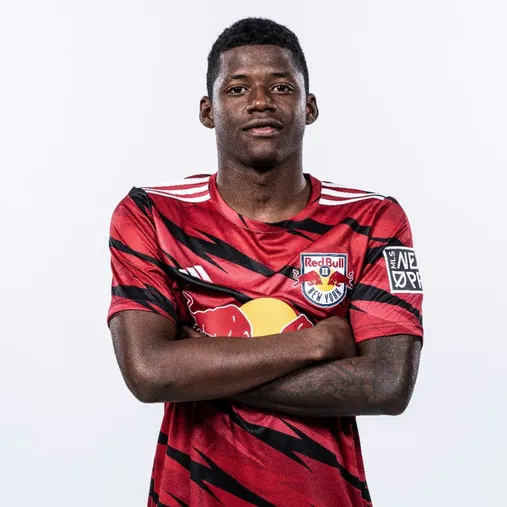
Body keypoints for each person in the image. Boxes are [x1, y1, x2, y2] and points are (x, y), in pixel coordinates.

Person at [107, 17, 423, 507]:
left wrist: (202, 363)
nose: (260, 101)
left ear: (309, 107)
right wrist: (319, 342)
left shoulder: (372, 219)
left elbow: (386, 385)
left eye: (281, 86)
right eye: (237, 88)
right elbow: (149, 372)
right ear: (208, 111)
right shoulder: (152, 214)